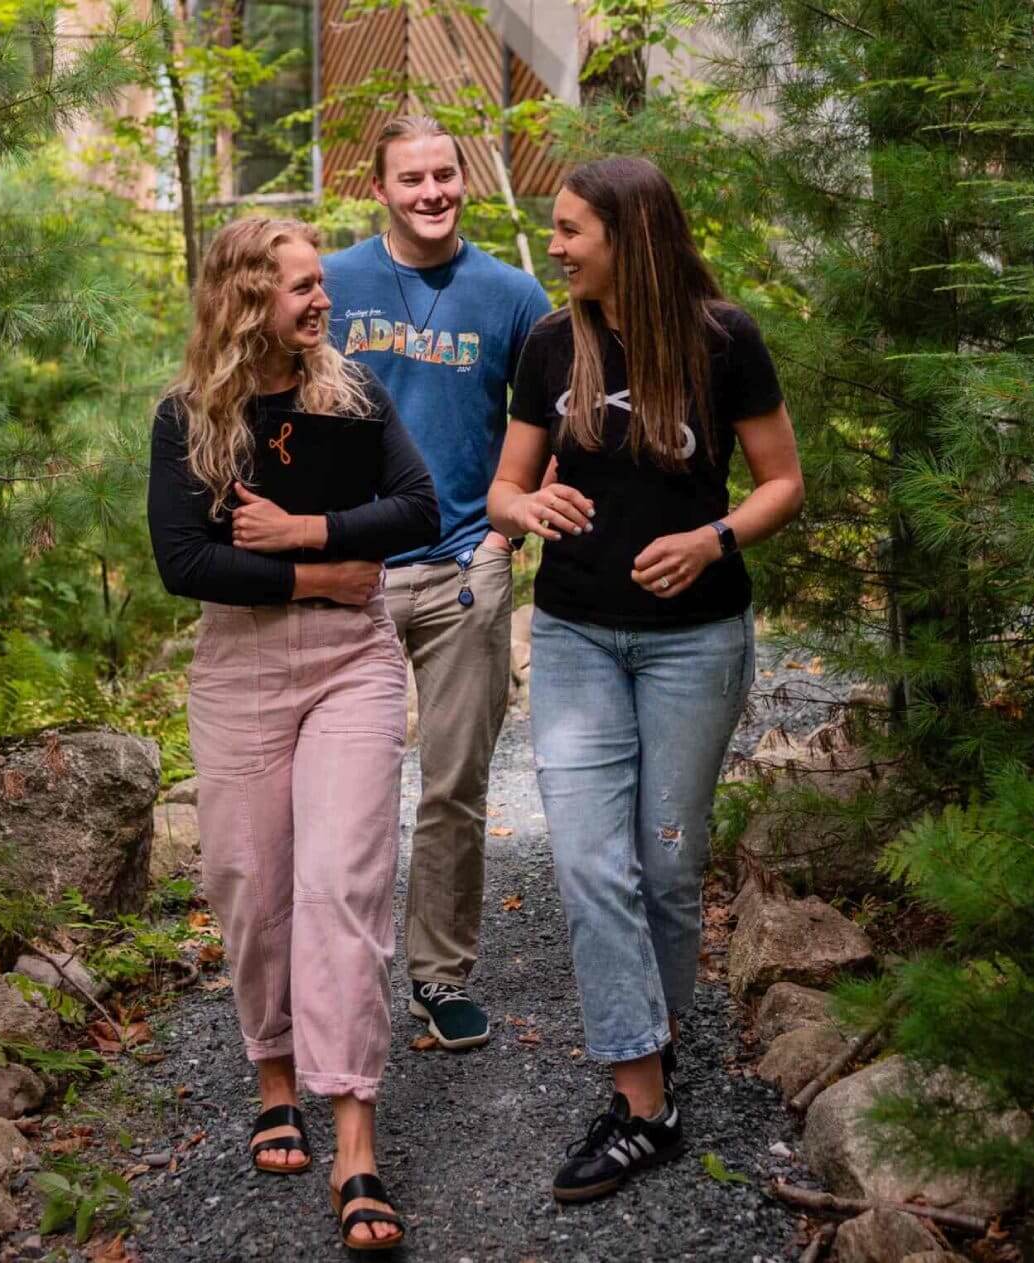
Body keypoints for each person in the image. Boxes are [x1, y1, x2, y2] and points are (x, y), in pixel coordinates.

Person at [488, 157, 805, 1203]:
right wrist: (527, 512)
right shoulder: (549, 344)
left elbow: (782, 483)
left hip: (694, 643)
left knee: (668, 870)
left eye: (573, 229)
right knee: (591, 864)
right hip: (576, 635)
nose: (559, 245)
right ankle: (642, 1100)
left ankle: (651, 1059)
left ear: (629, 233)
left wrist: (714, 538)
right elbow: (504, 490)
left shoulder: (724, 340)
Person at [148, 216, 439, 1250]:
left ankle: (355, 1133)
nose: (324, 302)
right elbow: (182, 561)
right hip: (237, 671)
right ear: (245, 303)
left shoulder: (351, 393)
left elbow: (419, 508)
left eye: (322, 286)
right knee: (251, 886)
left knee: (343, 882)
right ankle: (275, 1076)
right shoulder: (188, 417)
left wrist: (308, 531)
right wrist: (315, 571)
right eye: (303, 289)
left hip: (351, 663)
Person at [322, 116, 552, 1050]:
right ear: (378, 187)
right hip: (353, 574)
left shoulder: (512, 294)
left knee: (454, 785)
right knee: (353, 790)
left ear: (464, 181)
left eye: (445, 175)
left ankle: (441, 975)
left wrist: (509, 535)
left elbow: (552, 419)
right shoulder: (333, 283)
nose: (431, 192)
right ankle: (339, 975)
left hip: (466, 567)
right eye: (411, 178)